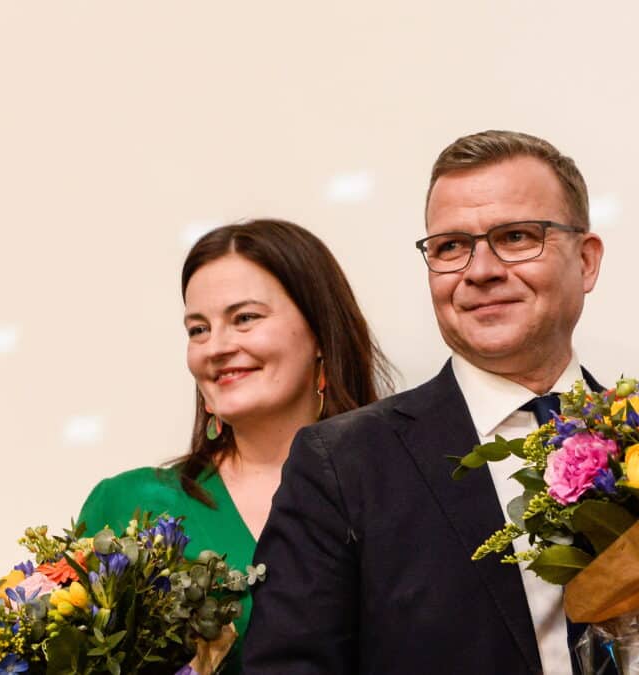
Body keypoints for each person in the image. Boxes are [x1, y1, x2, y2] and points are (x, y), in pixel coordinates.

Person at [242, 130, 605, 675]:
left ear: (587, 261)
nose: (480, 270)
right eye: (451, 247)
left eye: (515, 236)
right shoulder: (342, 465)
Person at [78, 219, 391, 674]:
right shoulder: (132, 508)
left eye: (244, 318)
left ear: (320, 334)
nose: (216, 347)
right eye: (198, 329)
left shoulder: (402, 491)